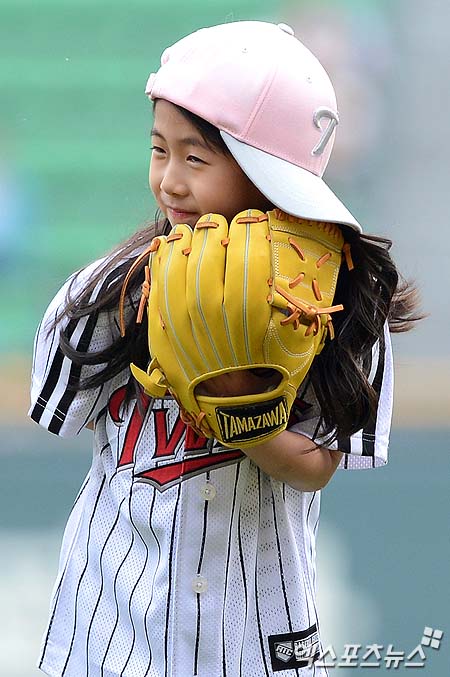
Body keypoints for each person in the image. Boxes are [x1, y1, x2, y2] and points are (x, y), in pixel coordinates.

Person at [29, 21, 419, 677]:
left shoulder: (341, 304)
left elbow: (318, 466)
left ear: (268, 175)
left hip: (260, 639)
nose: (170, 181)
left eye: (197, 158)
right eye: (160, 150)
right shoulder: (111, 291)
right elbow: (61, 411)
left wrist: (242, 410)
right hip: (110, 638)